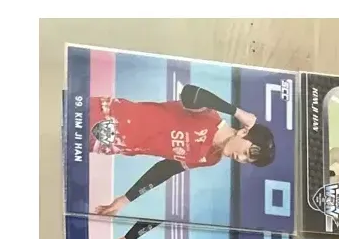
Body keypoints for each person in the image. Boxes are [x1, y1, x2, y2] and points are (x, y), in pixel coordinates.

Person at [90, 80, 276, 216]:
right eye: (246, 153)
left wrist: (126, 199)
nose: (241, 159)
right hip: (106, 114)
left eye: (247, 160)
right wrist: (237, 112)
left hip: (106, 145)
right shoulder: (209, 116)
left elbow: (165, 169)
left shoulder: (210, 159)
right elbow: (190, 93)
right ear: (243, 132)